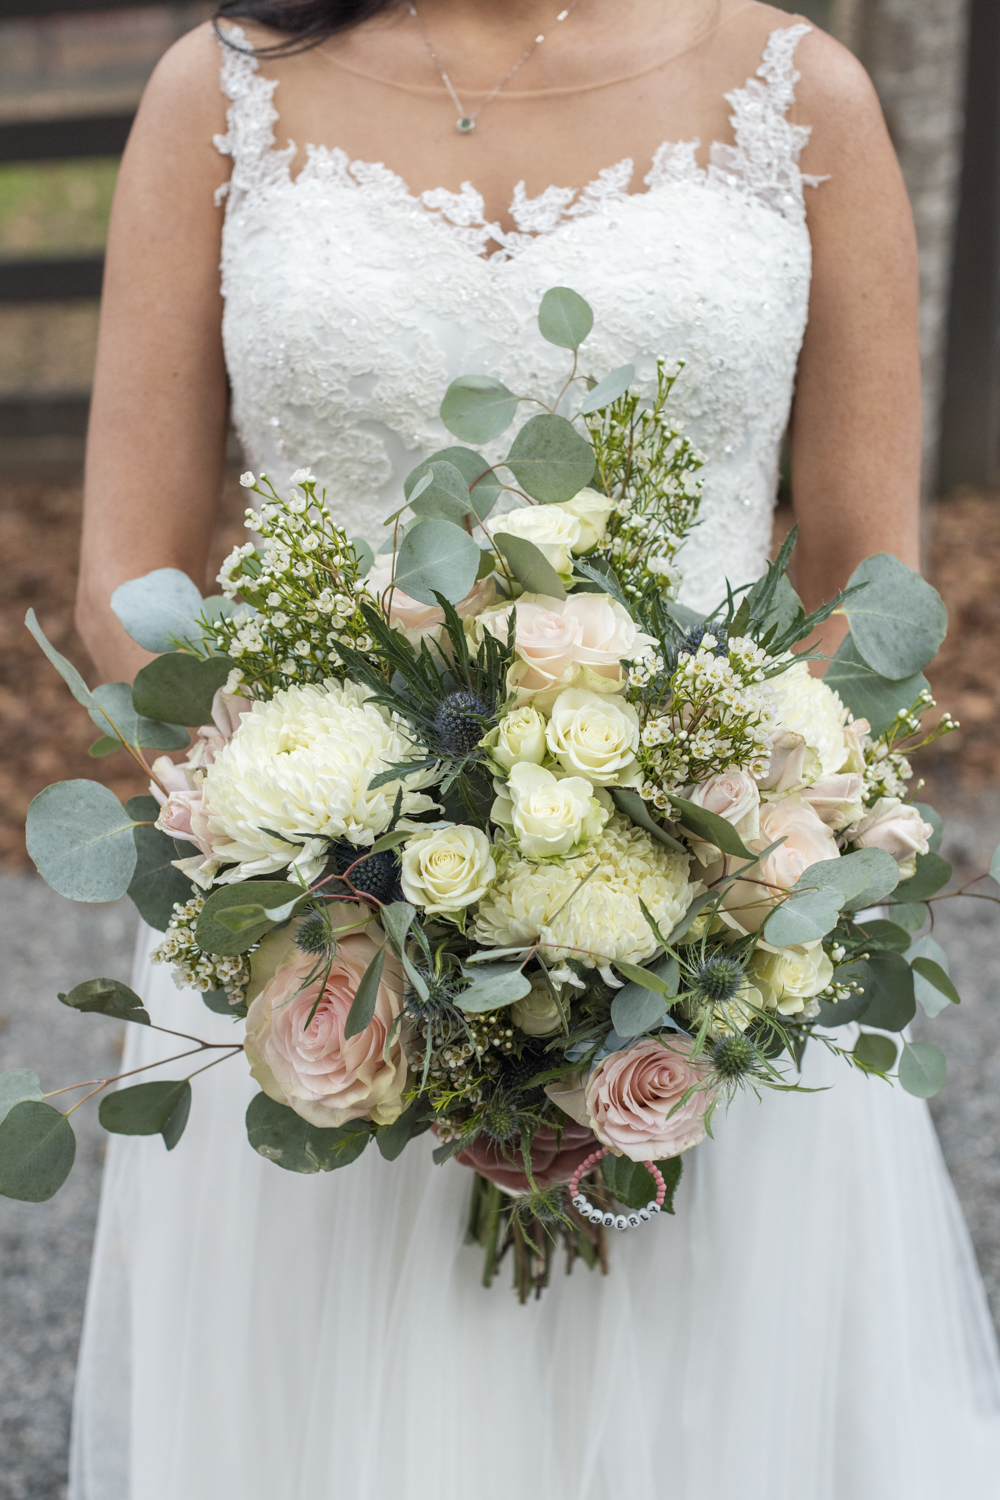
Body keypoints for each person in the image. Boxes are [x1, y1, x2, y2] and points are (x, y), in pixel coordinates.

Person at [70, 2, 1000, 1496]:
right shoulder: (222, 94)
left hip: (703, 954)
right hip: (329, 946)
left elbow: (865, 583)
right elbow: (127, 580)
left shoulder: (799, 95)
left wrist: (707, 847)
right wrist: (324, 840)